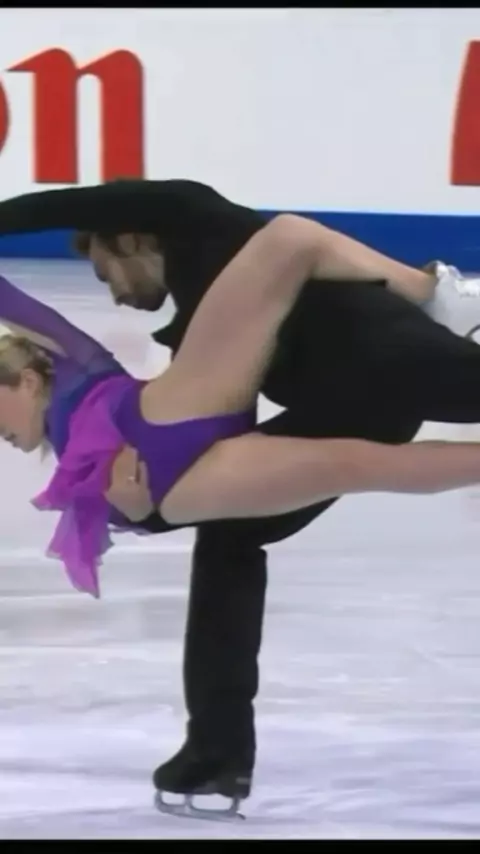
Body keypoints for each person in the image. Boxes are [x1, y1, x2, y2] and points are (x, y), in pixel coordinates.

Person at [1, 180, 480, 821]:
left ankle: (439, 293)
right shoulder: (180, 321)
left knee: (362, 453)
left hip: (375, 364)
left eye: (104, 269)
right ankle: (216, 753)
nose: (112, 292)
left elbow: (52, 237)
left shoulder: (192, 231)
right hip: (248, 442)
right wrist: (142, 508)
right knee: (315, 491)